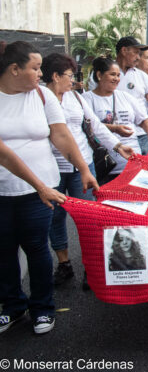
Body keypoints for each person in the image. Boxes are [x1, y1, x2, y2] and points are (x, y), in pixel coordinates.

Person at [0, 41, 98, 335]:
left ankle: (42, 307)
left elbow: (62, 135)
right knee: (3, 251)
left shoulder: (42, 96)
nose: (41, 74)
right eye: (35, 68)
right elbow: (4, 153)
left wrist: (83, 168)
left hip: (40, 191)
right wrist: (40, 185)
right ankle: (13, 306)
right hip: (6, 191)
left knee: (37, 247)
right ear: (15, 69)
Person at [42, 53, 133, 286]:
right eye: (69, 76)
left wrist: (118, 145)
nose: (72, 81)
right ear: (55, 76)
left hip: (83, 164)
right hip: (52, 169)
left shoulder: (76, 98)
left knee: (89, 217)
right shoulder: (38, 99)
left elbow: (94, 125)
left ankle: (90, 268)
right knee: (55, 217)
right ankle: (64, 264)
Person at [83, 57, 148, 183]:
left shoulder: (125, 96)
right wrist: (115, 128)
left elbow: (144, 119)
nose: (117, 79)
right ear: (99, 75)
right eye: (112, 74)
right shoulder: (87, 99)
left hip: (133, 162)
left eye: (118, 75)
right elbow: (89, 126)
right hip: (106, 166)